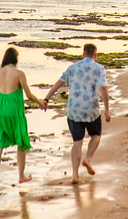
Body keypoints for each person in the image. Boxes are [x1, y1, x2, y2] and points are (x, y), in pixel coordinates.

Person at [43, 43, 110, 184]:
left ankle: (74, 175)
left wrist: (46, 99)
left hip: (74, 109)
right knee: (96, 135)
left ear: (83, 54)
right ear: (95, 55)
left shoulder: (72, 67)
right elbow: (103, 88)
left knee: (77, 142)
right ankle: (88, 159)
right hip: (91, 109)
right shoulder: (99, 68)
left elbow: (58, 84)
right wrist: (107, 110)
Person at [0, 46, 47, 194]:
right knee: (21, 141)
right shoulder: (19, 74)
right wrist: (41, 103)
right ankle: (21, 176)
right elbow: (28, 94)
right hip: (13, 110)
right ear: (16, 59)